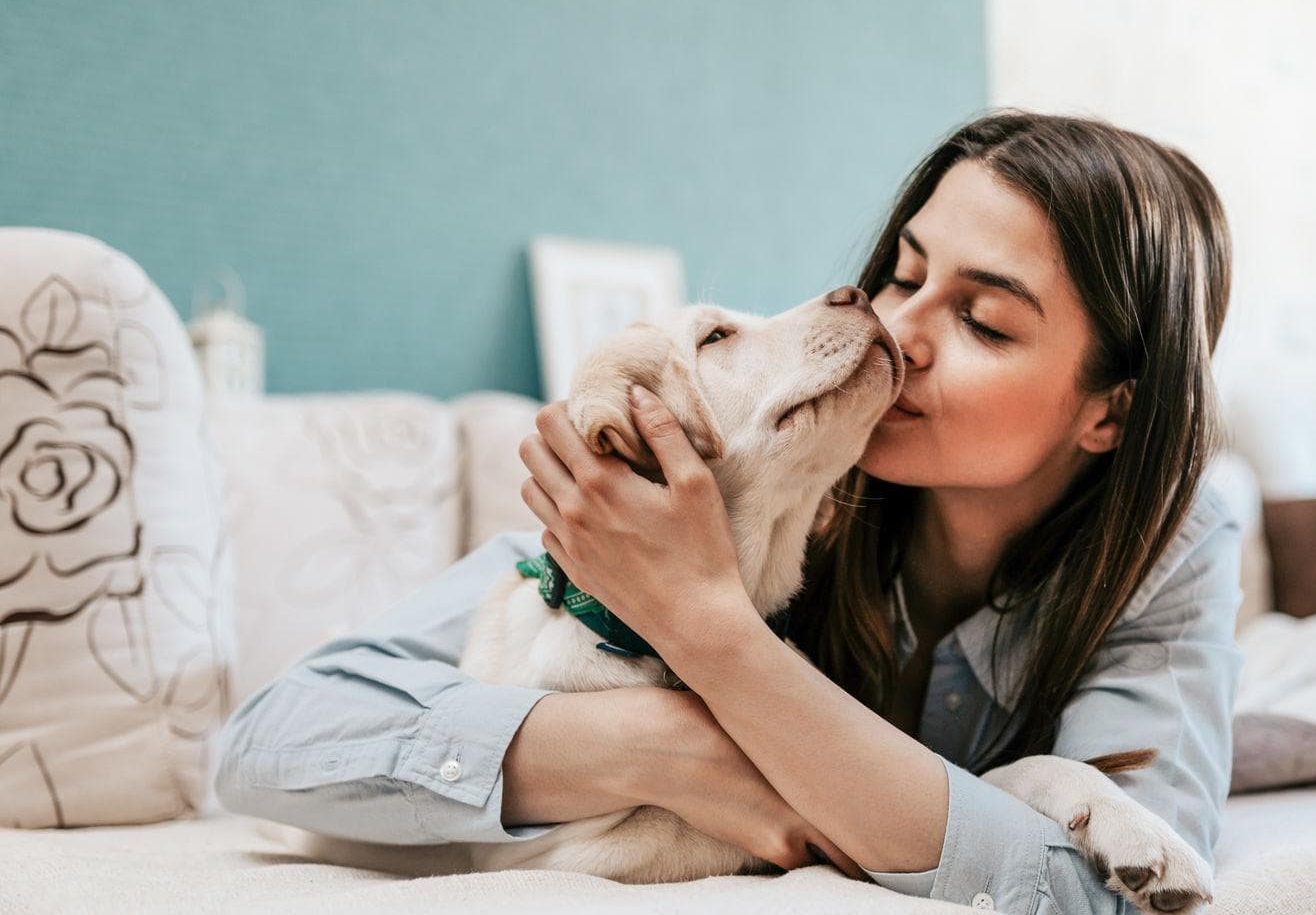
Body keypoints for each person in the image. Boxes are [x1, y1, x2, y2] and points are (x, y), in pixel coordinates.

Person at [213, 110, 1244, 914]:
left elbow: (1104, 887)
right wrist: (666, 744)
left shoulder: (1170, 547)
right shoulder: (747, 487)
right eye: (903, 272)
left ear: (1111, 411)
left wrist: (708, 630)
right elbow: (271, 740)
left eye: (982, 319)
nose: (899, 328)